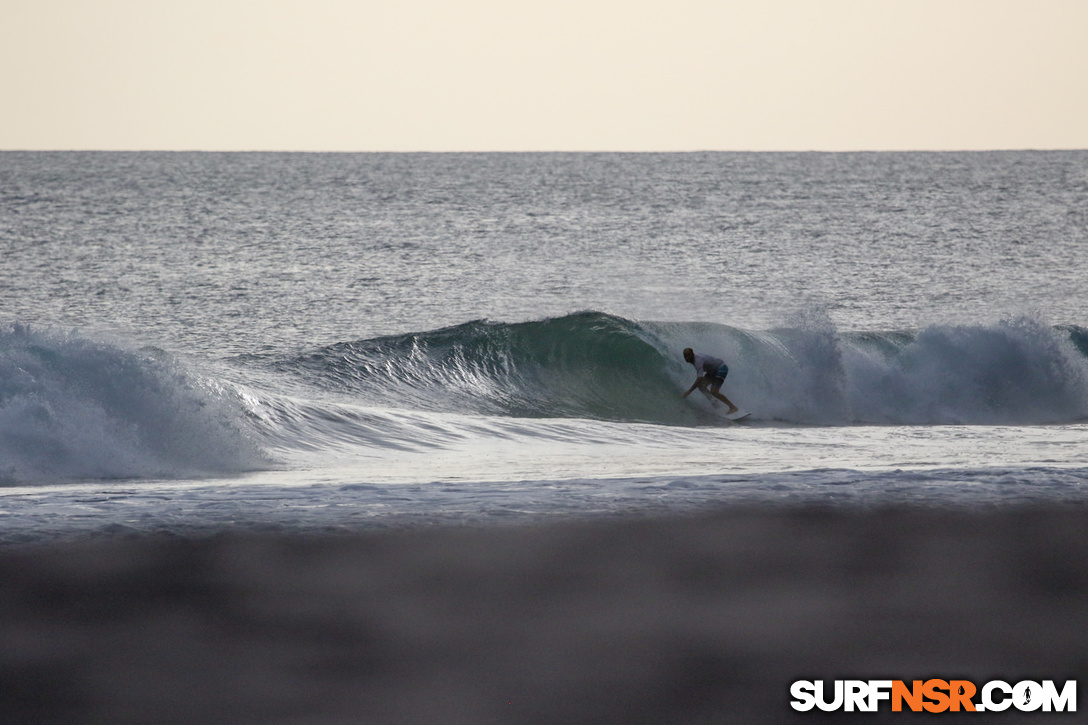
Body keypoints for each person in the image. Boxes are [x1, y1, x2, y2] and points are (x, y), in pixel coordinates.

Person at [681, 347, 740, 414]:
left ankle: (733, 407)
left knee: (714, 392)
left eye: (688, 356)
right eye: (685, 356)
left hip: (721, 369)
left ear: (692, 354)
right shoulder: (694, 359)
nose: (686, 358)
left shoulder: (698, 361)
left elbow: (699, 378)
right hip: (712, 371)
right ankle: (715, 403)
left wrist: (689, 391)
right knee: (701, 386)